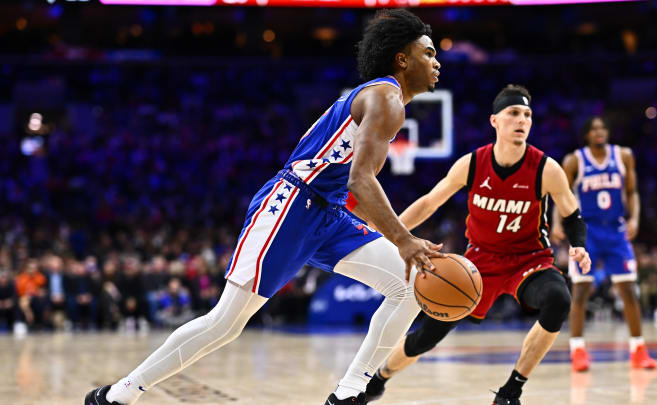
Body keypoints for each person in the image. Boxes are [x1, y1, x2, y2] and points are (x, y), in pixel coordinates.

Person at [85, 9, 442, 405]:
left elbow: (351, 181)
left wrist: (386, 234)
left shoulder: (383, 99)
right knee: (226, 323)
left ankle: (350, 393)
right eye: (428, 53)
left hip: (327, 212)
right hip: (293, 204)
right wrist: (403, 239)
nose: (437, 61)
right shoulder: (386, 96)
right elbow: (362, 179)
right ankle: (119, 395)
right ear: (402, 58)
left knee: (410, 284)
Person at [362, 85, 591, 405]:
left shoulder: (545, 169)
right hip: (478, 263)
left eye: (527, 114)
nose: (522, 120)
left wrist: (579, 244)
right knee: (426, 336)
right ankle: (379, 378)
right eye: (513, 113)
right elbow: (429, 203)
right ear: (495, 120)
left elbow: (572, 214)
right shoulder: (471, 164)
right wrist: (389, 231)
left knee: (557, 299)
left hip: (529, 260)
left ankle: (511, 390)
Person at [551, 116, 656, 372]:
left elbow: (632, 192)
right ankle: (577, 350)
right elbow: (560, 194)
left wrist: (635, 218)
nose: (599, 132)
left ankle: (638, 350)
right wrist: (556, 223)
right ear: (586, 134)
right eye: (594, 128)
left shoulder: (624, 155)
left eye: (603, 127)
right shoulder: (574, 160)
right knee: (581, 291)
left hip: (615, 230)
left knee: (629, 290)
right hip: (586, 231)